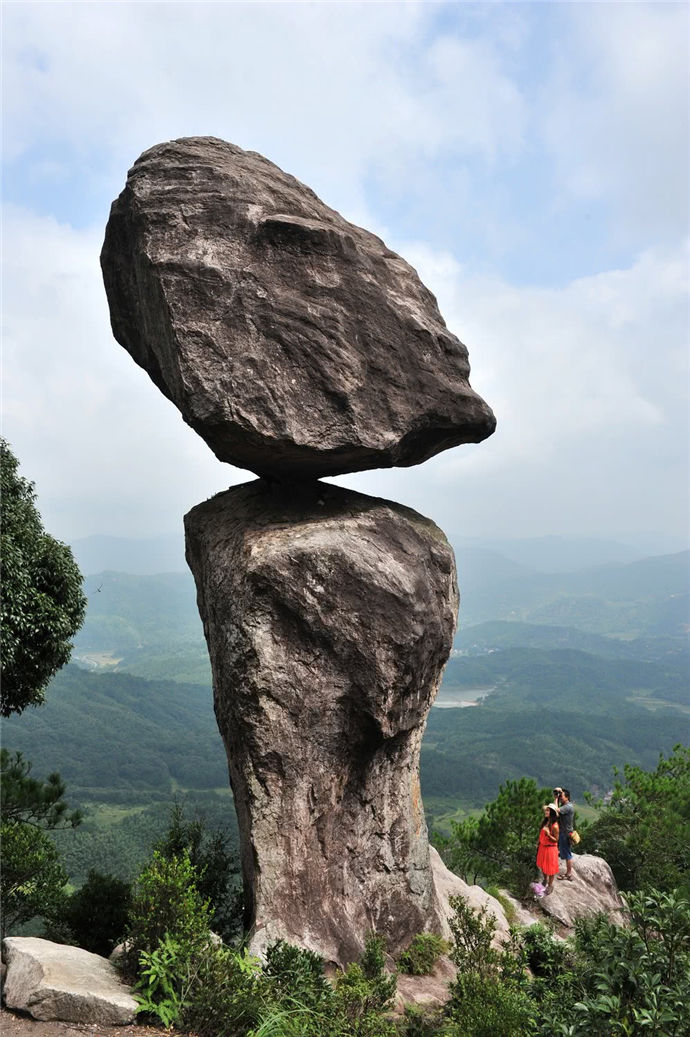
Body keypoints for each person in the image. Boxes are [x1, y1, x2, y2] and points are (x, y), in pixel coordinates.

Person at [536, 803, 560, 895]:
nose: (546, 812)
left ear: (552, 813)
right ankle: (545, 879)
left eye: (548, 810)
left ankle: (550, 885)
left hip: (550, 849)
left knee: (550, 868)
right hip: (543, 847)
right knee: (543, 865)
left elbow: (556, 840)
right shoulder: (545, 822)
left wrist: (548, 834)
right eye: (546, 810)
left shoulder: (555, 826)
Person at [554, 786, 575, 880]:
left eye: (561, 796)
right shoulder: (566, 806)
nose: (560, 797)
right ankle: (568, 873)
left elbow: (555, 811)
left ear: (567, 797)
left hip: (565, 834)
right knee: (566, 853)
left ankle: (569, 874)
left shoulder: (567, 807)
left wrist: (555, 799)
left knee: (567, 854)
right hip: (564, 832)